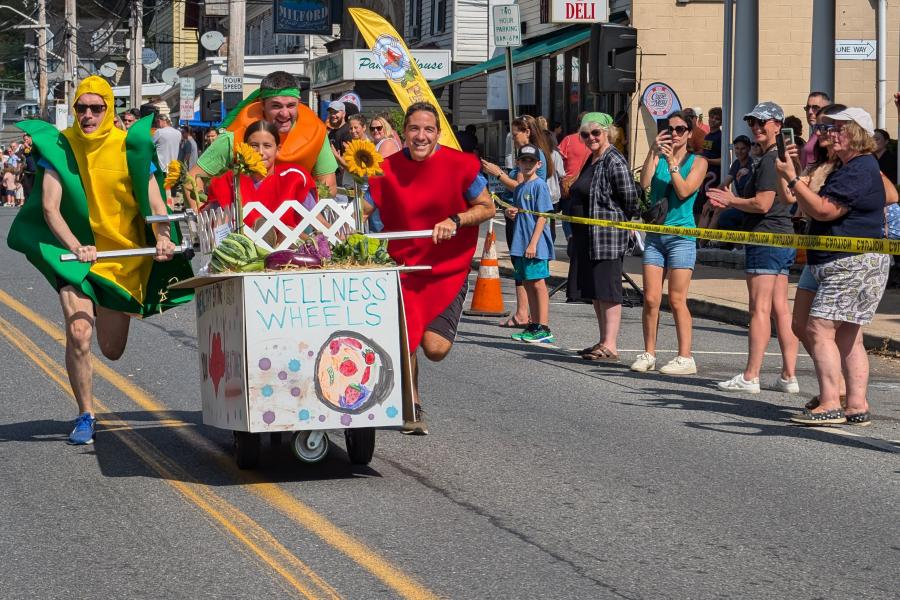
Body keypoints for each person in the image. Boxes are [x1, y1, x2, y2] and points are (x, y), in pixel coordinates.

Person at [6, 76, 193, 445]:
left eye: (97, 108)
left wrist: (161, 238)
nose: (88, 115)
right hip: (75, 256)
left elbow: (157, 204)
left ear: (110, 110)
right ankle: (86, 414)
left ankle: (116, 310)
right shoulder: (60, 147)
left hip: (119, 259)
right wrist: (76, 246)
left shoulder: (131, 147)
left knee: (112, 349)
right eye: (81, 108)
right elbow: (49, 207)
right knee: (78, 332)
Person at [365, 102, 494, 435]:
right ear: (403, 133)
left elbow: (486, 207)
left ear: (438, 133)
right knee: (406, 340)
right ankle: (413, 406)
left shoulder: (461, 166)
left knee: (435, 349)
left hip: (447, 268)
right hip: (405, 268)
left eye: (428, 130)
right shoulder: (386, 168)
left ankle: (415, 392)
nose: (421, 136)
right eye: (414, 129)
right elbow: (363, 207)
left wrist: (456, 219)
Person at [776, 108, 889, 426]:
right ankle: (854, 404)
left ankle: (830, 402)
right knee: (847, 336)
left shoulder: (860, 168)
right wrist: (794, 175)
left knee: (820, 328)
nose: (827, 132)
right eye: (825, 126)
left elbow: (825, 210)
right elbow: (798, 201)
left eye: (836, 127)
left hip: (850, 263)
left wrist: (794, 180)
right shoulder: (844, 166)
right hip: (835, 261)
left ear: (856, 133)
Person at [707, 102, 800, 394]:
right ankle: (788, 376)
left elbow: (763, 203)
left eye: (763, 122)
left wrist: (730, 200)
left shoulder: (773, 159)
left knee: (759, 308)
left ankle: (751, 375)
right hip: (780, 236)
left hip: (766, 236)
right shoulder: (777, 156)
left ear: (777, 124)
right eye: (753, 123)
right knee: (779, 309)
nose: (757, 128)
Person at [632, 111, 707, 375]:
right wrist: (653, 153)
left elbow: (685, 191)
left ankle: (685, 356)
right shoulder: (661, 157)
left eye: (680, 129)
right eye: (670, 128)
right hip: (655, 236)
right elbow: (645, 185)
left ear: (689, 132)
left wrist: (673, 162)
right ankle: (648, 352)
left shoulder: (698, 161)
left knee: (677, 299)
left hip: (681, 237)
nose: (674, 133)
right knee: (650, 298)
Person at [190, 71, 336, 198]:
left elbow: (328, 186)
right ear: (262, 104)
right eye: (276, 106)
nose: (284, 114)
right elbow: (193, 178)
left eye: (291, 105)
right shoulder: (236, 136)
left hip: (299, 221)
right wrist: (200, 220)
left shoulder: (316, 132)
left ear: (299, 103)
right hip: (244, 222)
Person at [569, 113, 641, 361]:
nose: (591, 138)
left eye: (596, 133)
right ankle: (603, 340)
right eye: (585, 134)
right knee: (597, 291)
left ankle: (611, 344)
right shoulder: (593, 159)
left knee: (608, 290)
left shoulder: (613, 160)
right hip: (588, 237)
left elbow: (630, 196)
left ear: (608, 132)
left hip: (607, 236)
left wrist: (624, 220)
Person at [481, 115, 555, 329]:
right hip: (521, 228)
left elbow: (537, 207)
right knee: (525, 275)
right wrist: (511, 210)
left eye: (515, 135)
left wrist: (498, 174)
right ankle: (529, 318)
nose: (513, 139)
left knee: (536, 280)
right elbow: (520, 195)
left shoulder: (536, 170)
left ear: (527, 132)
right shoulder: (523, 167)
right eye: (523, 161)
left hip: (533, 233)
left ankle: (540, 323)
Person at [204, 119, 317, 240]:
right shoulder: (229, 180)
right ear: (245, 148)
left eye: (267, 146)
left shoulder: (293, 178)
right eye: (254, 146)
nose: (260, 152)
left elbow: (318, 221)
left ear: (278, 149)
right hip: (242, 253)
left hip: (287, 252)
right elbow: (219, 227)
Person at [506, 144, 556, 344]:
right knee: (527, 283)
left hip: (534, 244)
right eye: (523, 160)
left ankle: (544, 326)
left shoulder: (539, 185)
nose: (527, 164)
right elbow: (521, 210)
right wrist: (510, 212)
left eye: (531, 161)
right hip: (520, 242)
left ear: (538, 164)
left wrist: (533, 243)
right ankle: (534, 324)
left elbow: (543, 215)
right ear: (517, 163)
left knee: (538, 284)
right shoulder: (520, 187)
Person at [799, 91, 831, 169]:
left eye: (815, 108)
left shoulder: (829, 134)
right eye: (808, 108)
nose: (810, 112)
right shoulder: (815, 133)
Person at [327, 100, 352, 181]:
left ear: (344, 113)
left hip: (345, 180)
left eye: (336, 112)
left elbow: (350, 162)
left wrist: (337, 157)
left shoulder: (348, 131)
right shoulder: (331, 133)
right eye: (331, 112)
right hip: (333, 177)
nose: (333, 115)